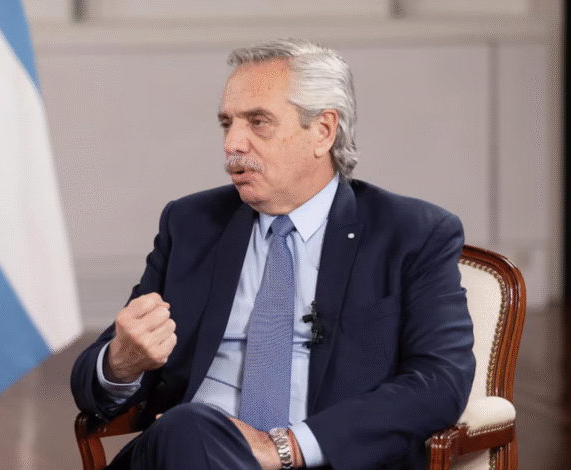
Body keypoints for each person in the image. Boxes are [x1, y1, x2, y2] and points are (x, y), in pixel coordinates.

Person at [71, 38, 475, 470]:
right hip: (182, 450)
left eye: (257, 122)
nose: (232, 143)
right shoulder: (190, 224)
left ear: (323, 131)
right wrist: (120, 364)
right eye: (227, 123)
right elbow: (91, 380)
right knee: (187, 428)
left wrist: (285, 447)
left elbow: (440, 382)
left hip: (323, 459)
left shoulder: (411, 234)